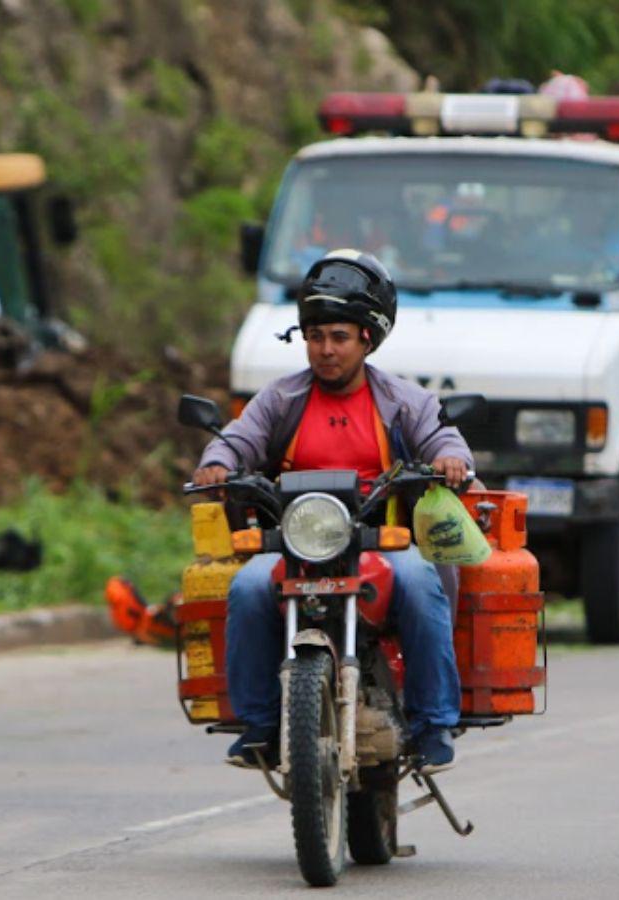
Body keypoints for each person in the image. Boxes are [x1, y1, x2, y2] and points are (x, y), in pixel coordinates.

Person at [192, 249, 471, 773]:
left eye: (339, 337)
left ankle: (434, 723)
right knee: (248, 587)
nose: (325, 350)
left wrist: (451, 460)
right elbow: (236, 441)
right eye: (315, 337)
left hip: (381, 546)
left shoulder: (400, 399)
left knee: (421, 582)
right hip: (298, 544)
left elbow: (441, 435)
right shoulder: (281, 399)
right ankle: (258, 725)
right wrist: (217, 464)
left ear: (368, 339)